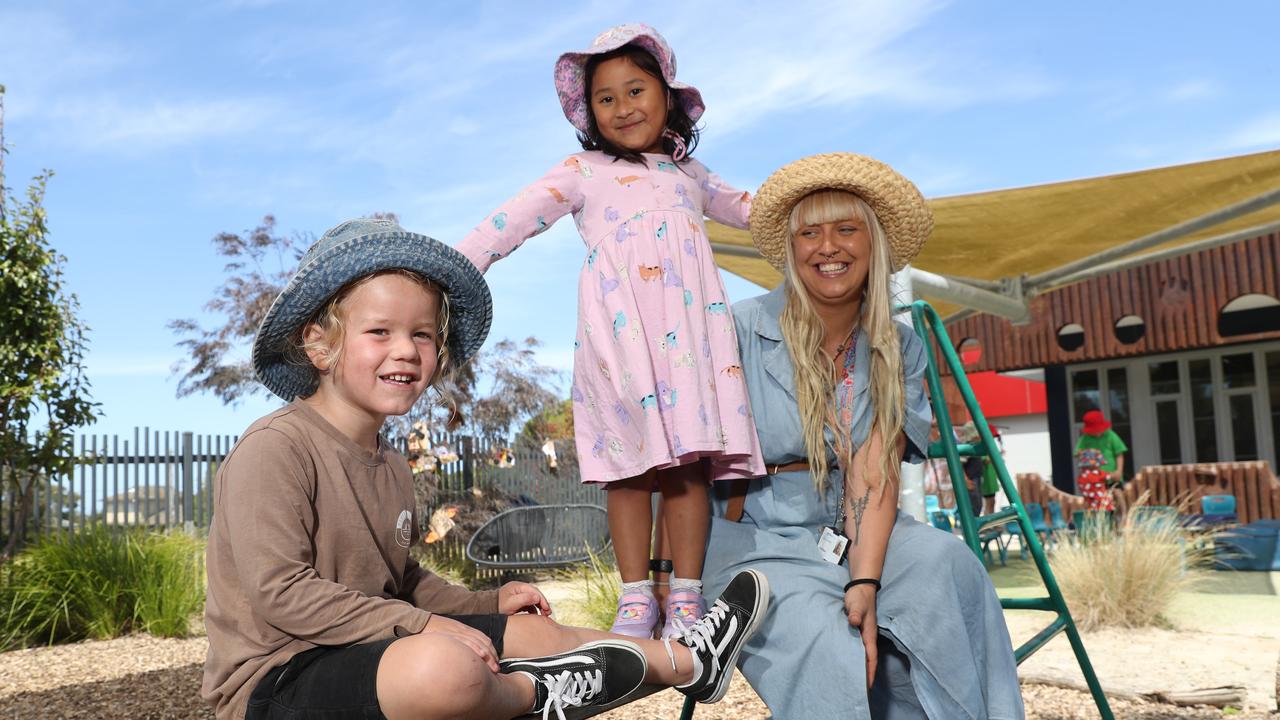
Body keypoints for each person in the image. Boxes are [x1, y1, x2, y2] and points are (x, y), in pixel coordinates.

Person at [201, 218, 770, 720]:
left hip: (366, 649)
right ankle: (534, 694)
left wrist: (482, 606)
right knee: (444, 670)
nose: (405, 350)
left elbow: (400, 583)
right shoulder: (277, 449)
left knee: (530, 631)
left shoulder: (391, 464)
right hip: (279, 678)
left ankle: (687, 660)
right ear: (319, 345)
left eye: (421, 334)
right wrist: (425, 627)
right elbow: (282, 594)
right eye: (380, 332)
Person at [457, 24, 764, 640]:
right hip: (619, 342)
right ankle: (634, 598)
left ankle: (685, 596)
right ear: (588, 112)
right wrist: (455, 264)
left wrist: (821, 204)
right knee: (628, 471)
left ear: (668, 96)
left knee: (687, 469)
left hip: (688, 346)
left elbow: (760, 210)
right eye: (606, 98)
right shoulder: (582, 170)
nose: (623, 107)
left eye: (636, 89)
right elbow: (510, 219)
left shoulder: (690, 175)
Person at [702, 154, 1024, 718]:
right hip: (754, 533)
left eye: (846, 229)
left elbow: (875, 469)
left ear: (872, 242)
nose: (828, 246)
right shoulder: (735, 329)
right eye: (810, 232)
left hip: (861, 525)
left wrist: (865, 581)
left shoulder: (898, 345)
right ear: (791, 247)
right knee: (828, 642)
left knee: (948, 569)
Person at [1075, 409, 1127, 486]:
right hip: (1095, 480)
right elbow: (1079, 454)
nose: (1097, 432)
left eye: (1098, 429)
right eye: (1094, 430)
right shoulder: (1085, 438)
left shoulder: (1110, 435)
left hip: (1113, 477)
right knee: (1096, 497)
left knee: (1117, 494)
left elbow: (1119, 454)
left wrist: (1119, 471)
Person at [981, 423, 1005, 515]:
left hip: (992, 479)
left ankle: (991, 523)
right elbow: (985, 460)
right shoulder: (983, 446)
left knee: (992, 502)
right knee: (988, 503)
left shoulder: (992, 447)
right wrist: (996, 454)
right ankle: (988, 523)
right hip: (986, 480)